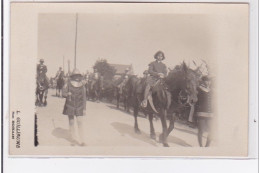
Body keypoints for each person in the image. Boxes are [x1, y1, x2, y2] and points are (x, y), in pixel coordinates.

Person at [62, 69, 87, 146]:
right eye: (75, 76)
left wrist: (84, 108)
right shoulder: (68, 84)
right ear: (73, 76)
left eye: (78, 76)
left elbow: (84, 97)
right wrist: (67, 94)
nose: (77, 77)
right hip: (70, 105)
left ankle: (82, 140)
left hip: (79, 106)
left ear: (80, 76)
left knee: (80, 122)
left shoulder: (82, 85)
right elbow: (63, 93)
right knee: (71, 122)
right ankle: (73, 139)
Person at [196, 75, 214, 147]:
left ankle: (207, 146)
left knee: (212, 131)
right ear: (203, 81)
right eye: (207, 81)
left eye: (209, 81)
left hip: (210, 113)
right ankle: (201, 147)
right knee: (201, 130)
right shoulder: (199, 89)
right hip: (201, 112)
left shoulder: (211, 90)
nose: (208, 82)